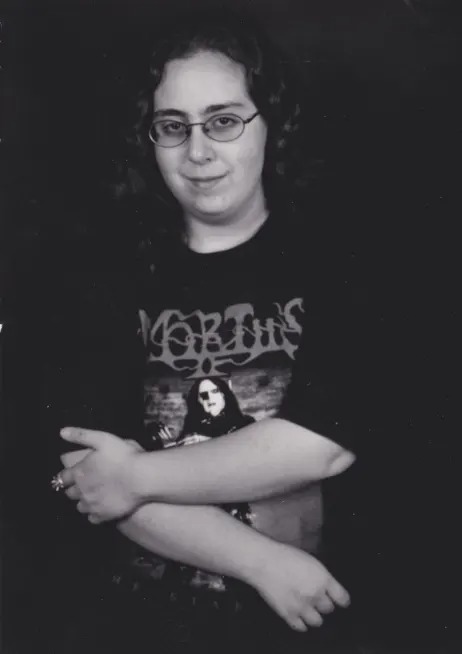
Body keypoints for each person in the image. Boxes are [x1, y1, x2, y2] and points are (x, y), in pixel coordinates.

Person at [53, 8, 376, 653]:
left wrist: (135, 477)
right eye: (173, 126)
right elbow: (89, 475)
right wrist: (263, 563)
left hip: (315, 626)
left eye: (224, 121)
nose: (198, 152)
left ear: (270, 123)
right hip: (146, 627)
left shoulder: (341, 259)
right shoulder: (105, 277)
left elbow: (322, 445)